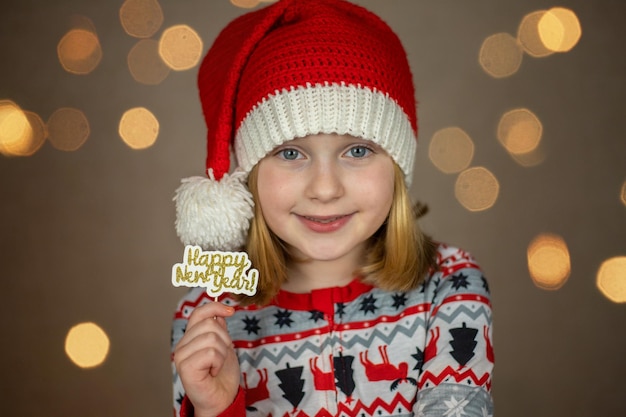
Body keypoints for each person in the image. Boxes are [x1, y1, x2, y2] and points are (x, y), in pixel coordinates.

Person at [170, 0, 494, 416]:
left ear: (397, 166)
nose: (325, 189)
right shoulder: (209, 319)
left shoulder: (449, 287)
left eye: (357, 150)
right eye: (290, 153)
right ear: (248, 176)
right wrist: (219, 408)